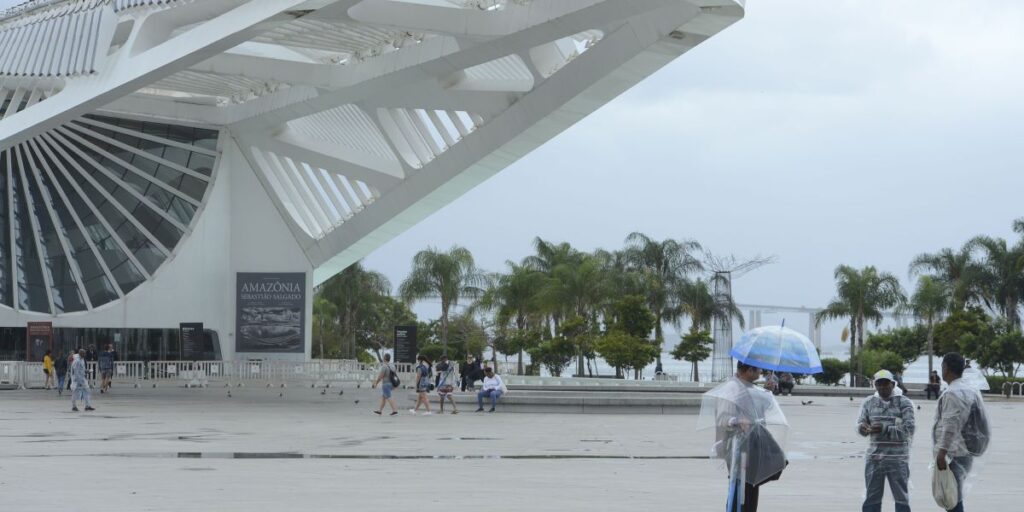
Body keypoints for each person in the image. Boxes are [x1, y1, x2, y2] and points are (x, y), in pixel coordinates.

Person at [699, 361, 788, 512]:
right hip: (738, 446)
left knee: (751, 486)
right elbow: (723, 418)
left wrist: (766, 392)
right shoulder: (732, 388)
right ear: (749, 370)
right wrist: (737, 420)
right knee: (741, 489)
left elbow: (759, 410)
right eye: (758, 369)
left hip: (751, 444)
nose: (761, 372)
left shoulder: (748, 387)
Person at [933, 352, 989, 512]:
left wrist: (942, 453)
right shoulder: (969, 389)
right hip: (965, 452)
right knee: (955, 497)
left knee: (952, 501)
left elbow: (950, 426)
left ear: (946, 367)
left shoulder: (953, 392)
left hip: (954, 453)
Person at [857, 370, 915, 512]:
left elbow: (909, 429)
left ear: (893, 384)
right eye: (879, 384)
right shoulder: (869, 402)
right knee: (872, 497)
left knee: (901, 497)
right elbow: (861, 422)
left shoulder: (904, 402)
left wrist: (884, 429)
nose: (882, 387)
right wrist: (862, 428)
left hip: (898, 458)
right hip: (875, 458)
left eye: (886, 383)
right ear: (875, 385)